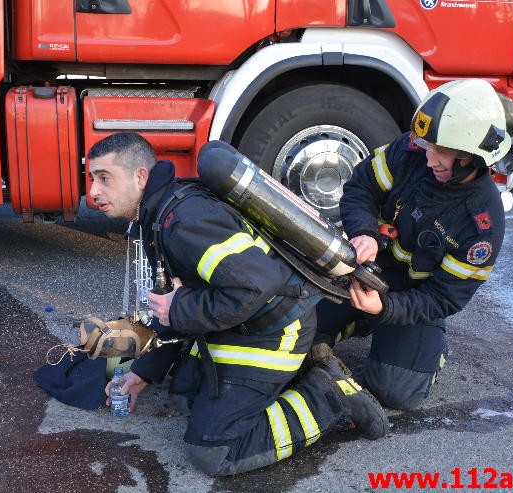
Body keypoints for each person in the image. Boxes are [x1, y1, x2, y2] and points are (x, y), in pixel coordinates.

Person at [87, 132, 388, 476]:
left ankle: (327, 395)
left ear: (140, 176)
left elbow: (254, 285)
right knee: (184, 394)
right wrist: (143, 373)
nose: (94, 191)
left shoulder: (184, 222)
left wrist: (181, 306)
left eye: (105, 178)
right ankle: (298, 375)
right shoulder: (163, 211)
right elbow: (178, 302)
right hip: (249, 320)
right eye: (92, 178)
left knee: (213, 450)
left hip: (274, 331)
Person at [316, 79, 511, 411]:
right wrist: (364, 232)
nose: (429, 158)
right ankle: (360, 318)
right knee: (293, 336)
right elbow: (360, 188)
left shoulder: (482, 224)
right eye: (428, 146)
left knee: (395, 392)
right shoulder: (411, 152)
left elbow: (443, 297)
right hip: (363, 274)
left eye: (442, 153)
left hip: (413, 302)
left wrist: (387, 308)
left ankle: (429, 350)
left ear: (471, 159)